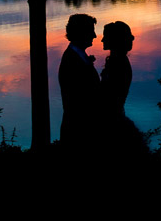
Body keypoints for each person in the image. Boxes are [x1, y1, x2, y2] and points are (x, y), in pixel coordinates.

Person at [100, 21, 147, 158]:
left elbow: (109, 97)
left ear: (115, 40)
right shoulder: (117, 61)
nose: (102, 39)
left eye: (106, 36)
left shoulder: (119, 64)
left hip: (111, 122)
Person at [58, 13, 101, 153]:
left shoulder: (77, 55)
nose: (94, 36)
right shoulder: (71, 59)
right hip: (77, 130)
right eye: (91, 31)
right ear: (80, 33)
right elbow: (79, 98)